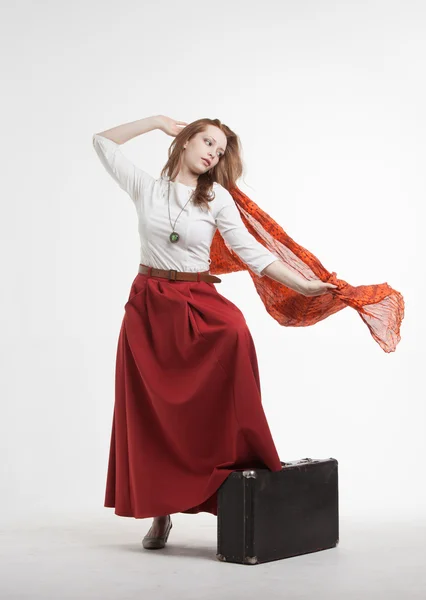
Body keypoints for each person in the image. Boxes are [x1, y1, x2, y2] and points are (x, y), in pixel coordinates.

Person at [92, 115, 337, 550]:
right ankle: (160, 514)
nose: (212, 153)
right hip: (147, 308)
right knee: (150, 415)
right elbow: (101, 142)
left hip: (195, 302)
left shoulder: (216, 198)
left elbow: (251, 252)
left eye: (219, 150)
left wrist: (302, 284)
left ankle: (238, 476)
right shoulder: (146, 187)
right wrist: (157, 122)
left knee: (235, 333)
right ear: (185, 141)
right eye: (206, 141)